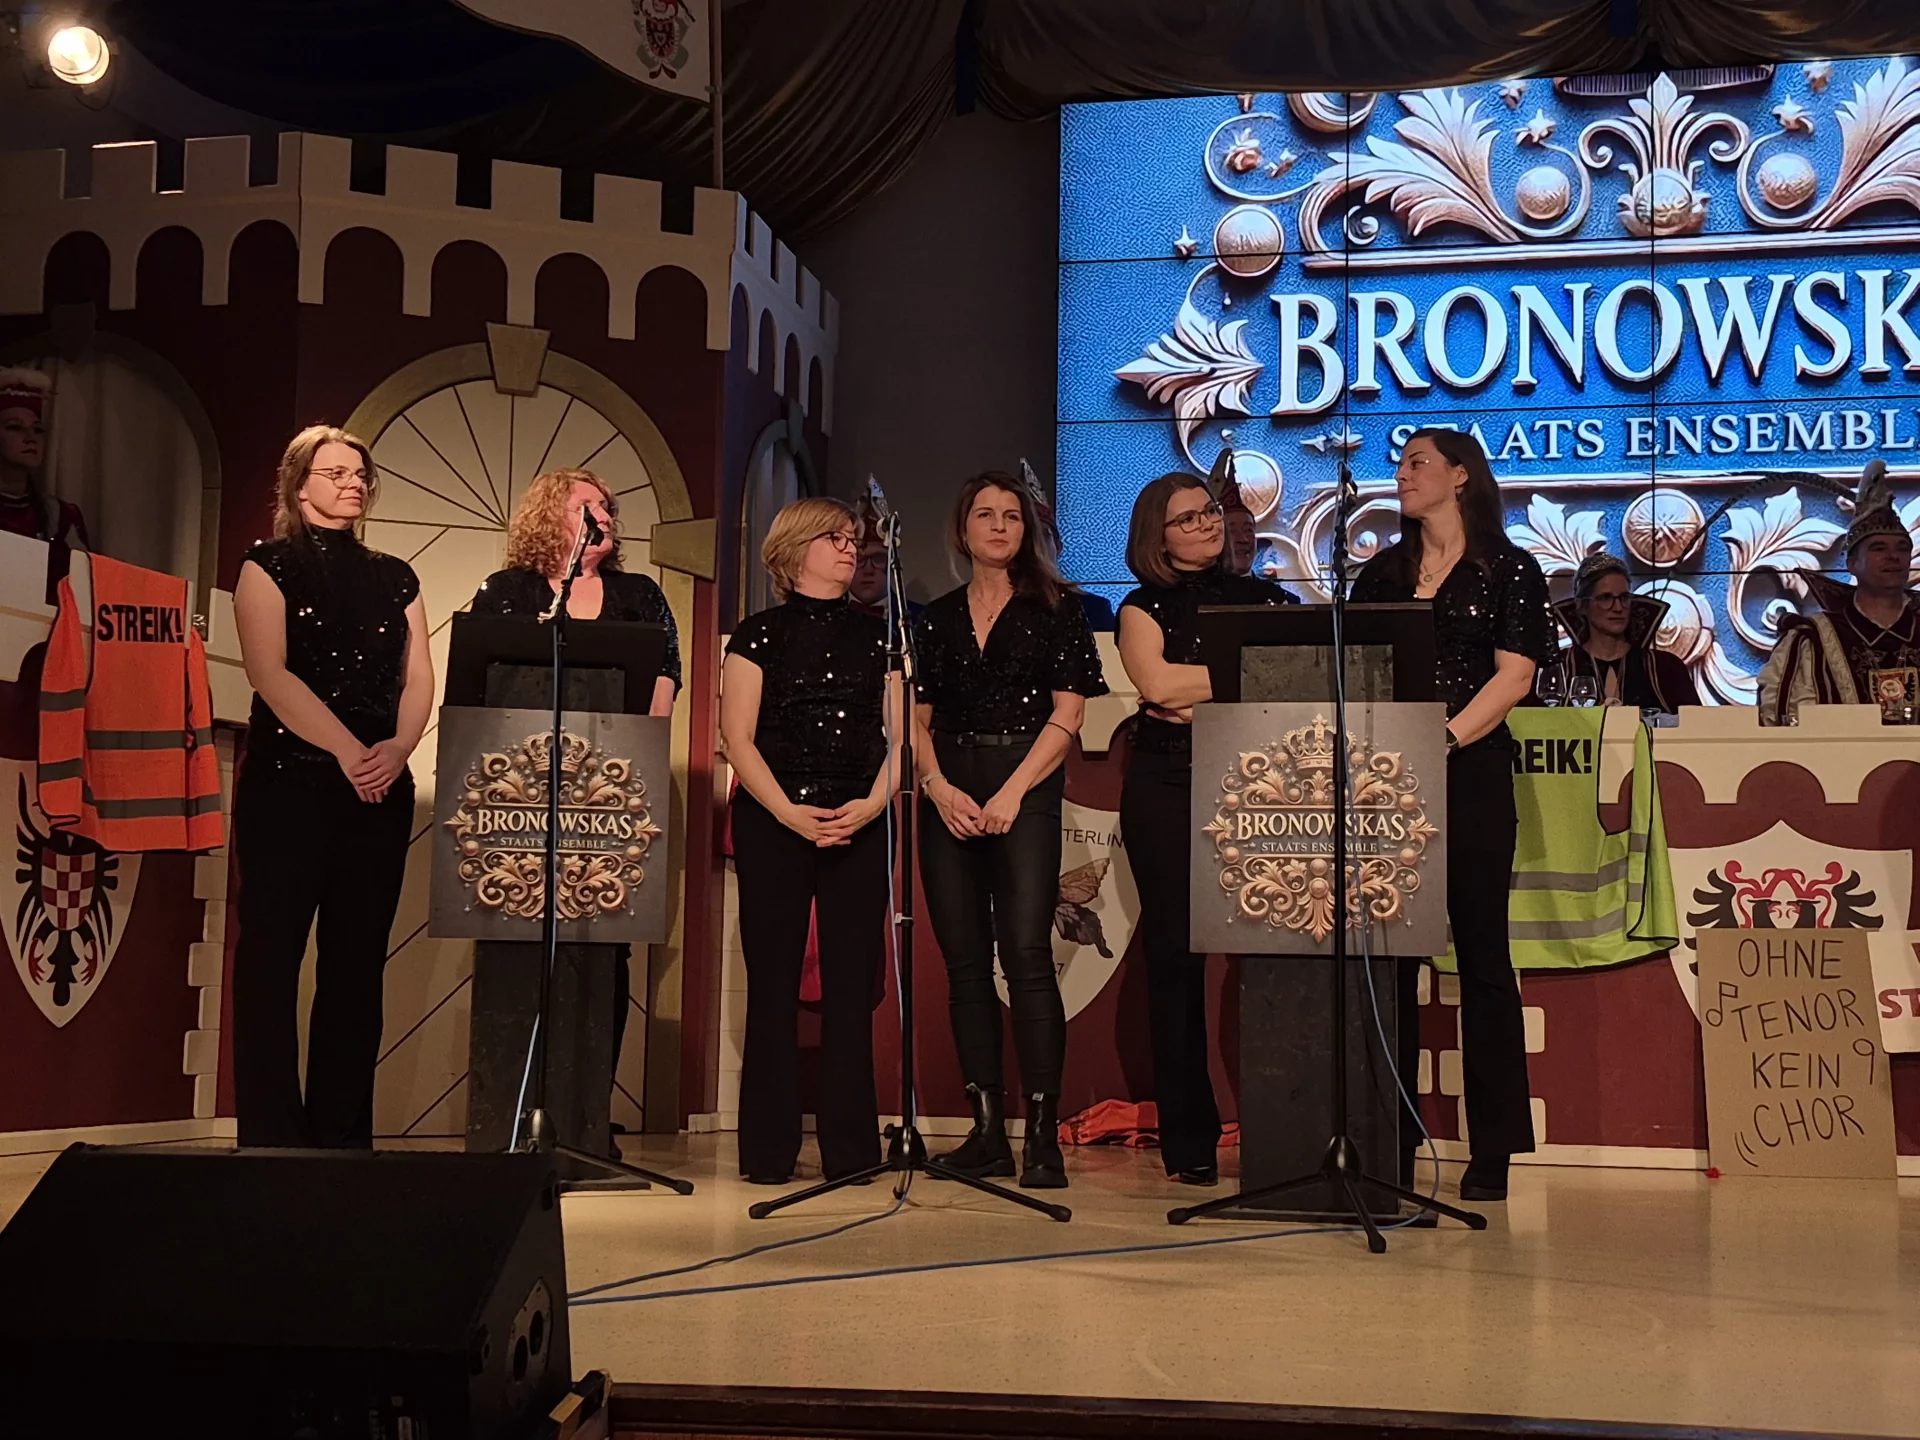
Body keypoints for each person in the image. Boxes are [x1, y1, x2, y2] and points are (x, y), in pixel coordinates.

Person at [1350, 427, 1556, 1202]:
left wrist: (1445, 738)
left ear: (1461, 475)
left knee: (1482, 957)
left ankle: (1493, 1148)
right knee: (1390, 962)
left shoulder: (1509, 568)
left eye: (1417, 463)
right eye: (1400, 464)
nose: (1402, 475)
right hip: (1387, 782)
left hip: (1471, 774)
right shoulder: (1381, 573)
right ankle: (1390, 1137)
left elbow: (1515, 675)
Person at [231, 425, 434, 1148]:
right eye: (337, 472)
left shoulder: (396, 576)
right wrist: (348, 750)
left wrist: (398, 748)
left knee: (356, 966)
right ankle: (270, 1136)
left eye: (360, 474)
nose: (353, 484)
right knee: (272, 958)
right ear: (299, 484)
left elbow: (418, 677)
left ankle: (341, 1138)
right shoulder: (267, 565)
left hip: (377, 790)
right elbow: (269, 673)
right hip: (290, 785)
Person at [914, 472, 1108, 1189]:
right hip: (950, 792)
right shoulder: (934, 619)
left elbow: (1069, 714)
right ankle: (987, 1132)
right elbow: (915, 720)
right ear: (962, 529)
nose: (999, 526)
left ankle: (1042, 1137)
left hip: (1023, 784)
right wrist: (938, 787)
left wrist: (1012, 793)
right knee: (964, 963)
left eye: (1012, 516)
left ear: (1028, 529)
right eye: (985, 515)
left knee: (1026, 955)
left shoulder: (1058, 608)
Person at [469, 467, 681, 1122]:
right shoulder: (507, 590)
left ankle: (586, 1116)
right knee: (515, 946)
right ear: (548, 515)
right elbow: (477, 679)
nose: (604, 516)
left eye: (608, 507)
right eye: (588, 505)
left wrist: (642, 750)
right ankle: (511, 1117)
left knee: (603, 949)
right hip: (520, 802)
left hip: (610, 798)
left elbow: (665, 677)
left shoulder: (639, 595)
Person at [1115, 472, 1297, 1186]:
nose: (1207, 525)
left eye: (1210, 513)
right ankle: (1189, 1141)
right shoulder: (1141, 606)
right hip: (1165, 783)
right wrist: (1245, 674)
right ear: (1156, 537)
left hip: (1259, 782)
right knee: (1175, 959)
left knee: (1272, 951)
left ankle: (1281, 1129)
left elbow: (1295, 681)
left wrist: (1204, 686)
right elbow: (1157, 688)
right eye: (1187, 518)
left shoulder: (1269, 600)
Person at [721, 496, 901, 1184]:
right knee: (771, 984)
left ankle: (851, 1153)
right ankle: (768, 1153)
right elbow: (737, 738)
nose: (852, 549)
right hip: (775, 817)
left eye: (853, 539)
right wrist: (788, 813)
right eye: (836, 538)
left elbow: (902, 739)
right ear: (795, 551)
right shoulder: (758, 634)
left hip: (859, 813)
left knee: (852, 989)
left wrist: (872, 804)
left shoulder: (882, 638)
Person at [1760, 460, 1919, 725]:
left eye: (1902, 549)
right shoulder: (1812, 638)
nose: (1893, 556)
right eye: (1879, 548)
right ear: (1852, 564)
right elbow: (1783, 724)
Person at [1549, 553, 1700, 712]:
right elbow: (1535, 721)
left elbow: (1697, 722)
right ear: (1582, 605)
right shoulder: (1558, 669)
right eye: (1606, 598)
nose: (1618, 607)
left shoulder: (1665, 668)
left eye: (1624, 597)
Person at [0, 367, 89, 592]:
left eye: (38, 430)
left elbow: (82, 590)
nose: (30, 438)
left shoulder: (62, 517)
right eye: (15, 427)